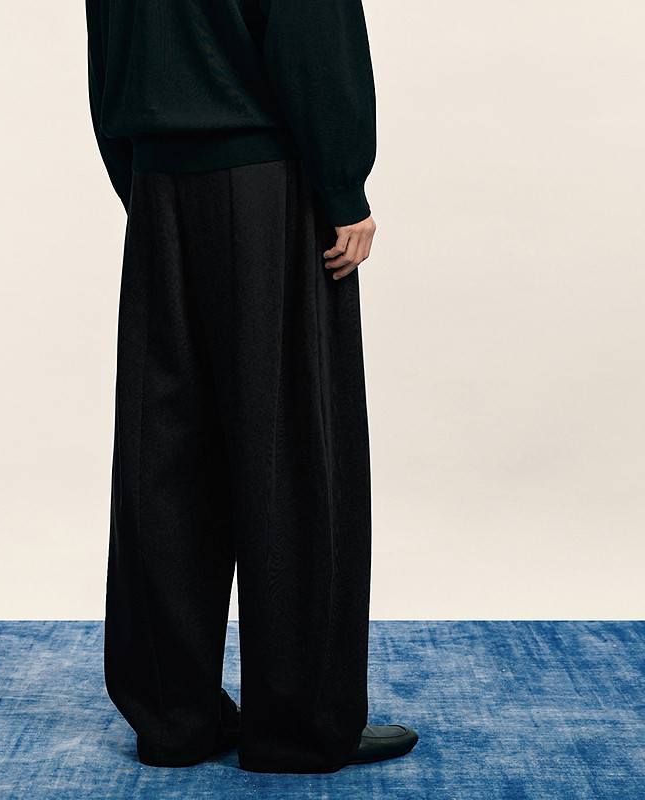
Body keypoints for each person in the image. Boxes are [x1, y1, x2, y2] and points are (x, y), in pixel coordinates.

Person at [84, 0, 418, 774]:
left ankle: (174, 717)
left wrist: (145, 181)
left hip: (159, 182)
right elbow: (310, 26)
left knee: (165, 455)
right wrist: (343, 184)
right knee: (293, 451)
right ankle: (299, 724)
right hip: (266, 183)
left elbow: (108, 44)